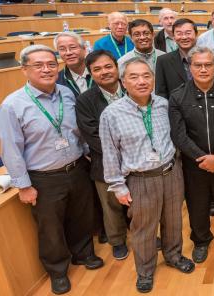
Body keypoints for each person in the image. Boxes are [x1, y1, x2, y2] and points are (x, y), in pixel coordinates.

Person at [0, 45, 103, 295]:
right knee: (51, 228)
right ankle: (57, 270)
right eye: (38, 65)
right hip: (44, 177)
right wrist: (23, 185)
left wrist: (88, 153)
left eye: (51, 64)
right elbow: (11, 149)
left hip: (77, 167)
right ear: (24, 70)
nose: (46, 69)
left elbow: (76, 130)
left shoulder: (66, 93)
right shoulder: (12, 105)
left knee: (81, 216)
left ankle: (83, 254)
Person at [100, 58, 194, 293]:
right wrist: (118, 186)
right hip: (140, 180)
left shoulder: (164, 104)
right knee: (144, 229)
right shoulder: (111, 114)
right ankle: (145, 270)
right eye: (134, 77)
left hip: (171, 172)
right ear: (123, 81)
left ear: (153, 79)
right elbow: (110, 153)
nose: (141, 81)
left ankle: (173, 256)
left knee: (173, 221)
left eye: (146, 76)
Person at [169, 46, 214, 264]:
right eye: (197, 65)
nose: (203, 69)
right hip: (194, 165)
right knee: (196, 204)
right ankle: (201, 241)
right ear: (189, 67)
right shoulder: (178, 96)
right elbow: (179, 135)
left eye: (208, 64)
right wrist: (202, 158)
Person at [75, 50, 130, 261]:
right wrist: (122, 154)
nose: (104, 72)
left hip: (136, 161)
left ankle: (145, 234)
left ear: (117, 67)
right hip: (105, 163)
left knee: (138, 203)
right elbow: (92, 136)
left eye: (108, 66)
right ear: (90, 73)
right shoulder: (85, 100)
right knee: (112, 205)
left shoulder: (131, 89)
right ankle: (117, 241)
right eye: (97, 69)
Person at [155, 18, 198, 100]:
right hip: (175, 110)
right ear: (174, 37)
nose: (184, 37)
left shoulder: (208, 57)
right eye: (179, 33)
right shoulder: (163, 61)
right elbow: (161, 94)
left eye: (188, 33)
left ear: (196, 34)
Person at [55, 31, 91, 98]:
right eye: (62, 49)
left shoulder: (100, 72)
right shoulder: (57, 80)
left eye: (73, 47)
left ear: (84, 49)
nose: (68, 53)